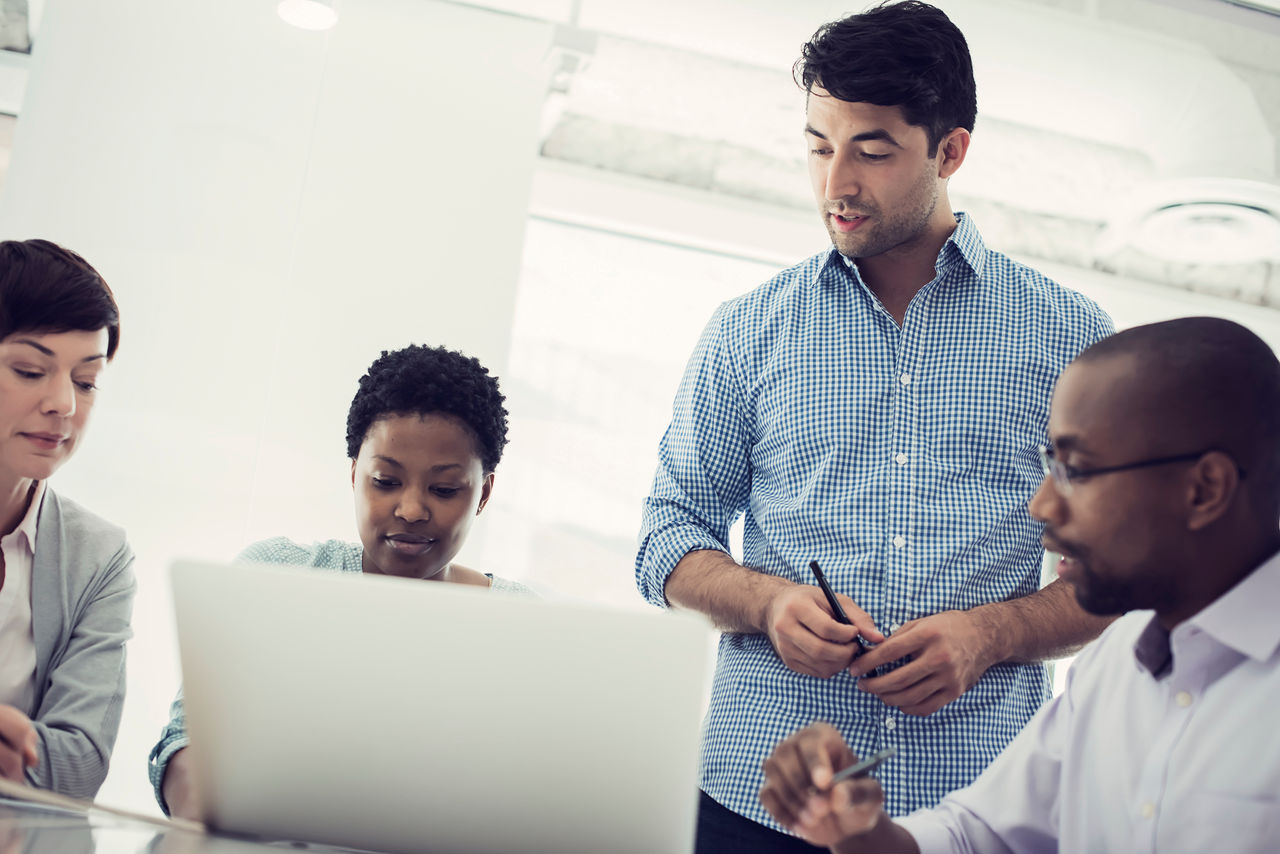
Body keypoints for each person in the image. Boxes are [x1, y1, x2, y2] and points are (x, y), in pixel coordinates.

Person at [634, 2, 1116, 849]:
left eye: (872, 149)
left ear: (951, 150)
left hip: (974, 805)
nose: (835, 185)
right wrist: (770, 602)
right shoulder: (748, 330)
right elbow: (665, 540)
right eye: (819, 146)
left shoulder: (1071, 338)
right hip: (756, 799)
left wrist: (989, 634)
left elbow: (1113, 575)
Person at [759, 316, 1280, 853]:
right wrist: (860, 830)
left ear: (1204, 489)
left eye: (1075, 470)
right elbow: (978, 836)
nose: (1041, 506)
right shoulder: (1113, 664)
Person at [148, 343, 533, 819]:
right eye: (386, 481)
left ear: (484, 493)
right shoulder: (277, 576)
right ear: (355, 475)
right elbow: (186, 744)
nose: (411, 509)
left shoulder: (525, 623)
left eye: (444, 489)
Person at [0, 239, 135, 799]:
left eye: (85, 381)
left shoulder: (99, 556)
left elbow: (81, 765)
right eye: (30, 370)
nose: (64, 404)